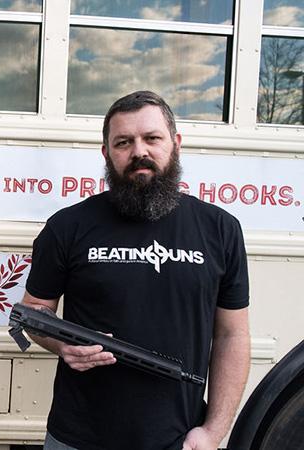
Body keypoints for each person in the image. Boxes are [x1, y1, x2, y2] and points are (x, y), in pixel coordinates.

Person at [21, 91, 250, 450]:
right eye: (123, 142)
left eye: (152, 138)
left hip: (179, 440)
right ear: (106, 152)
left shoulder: (220, 229)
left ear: (175, 144)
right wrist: (63, 343)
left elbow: (231, 337)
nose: (138, 152)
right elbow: (34, 311)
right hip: (78, 438)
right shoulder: (68, 226)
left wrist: (212, 433)